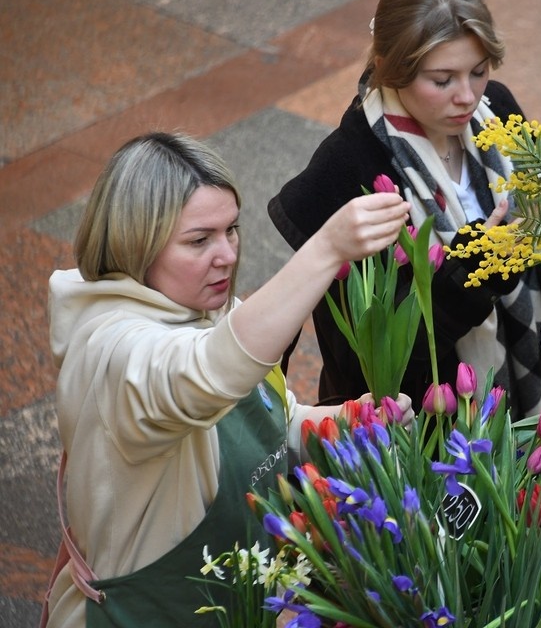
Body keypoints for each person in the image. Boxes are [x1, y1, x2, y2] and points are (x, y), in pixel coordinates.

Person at [40, 132, 411, 627]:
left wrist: (344, 423)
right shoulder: (113, 350)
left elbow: (267, 420)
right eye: (199, 240)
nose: (229, 255)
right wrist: (325, 250)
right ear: (136, 244)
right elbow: (209, 373)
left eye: (231, 230)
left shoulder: (202, 309)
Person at [269, 0, 541, 419]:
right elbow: (368, 364)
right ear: (389, 69)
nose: (467, 96)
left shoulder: (497, 108)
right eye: (443, 80)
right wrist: (473, 273)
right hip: (427, 434)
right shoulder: (345, 168)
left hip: (538, 398)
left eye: (479, 71)